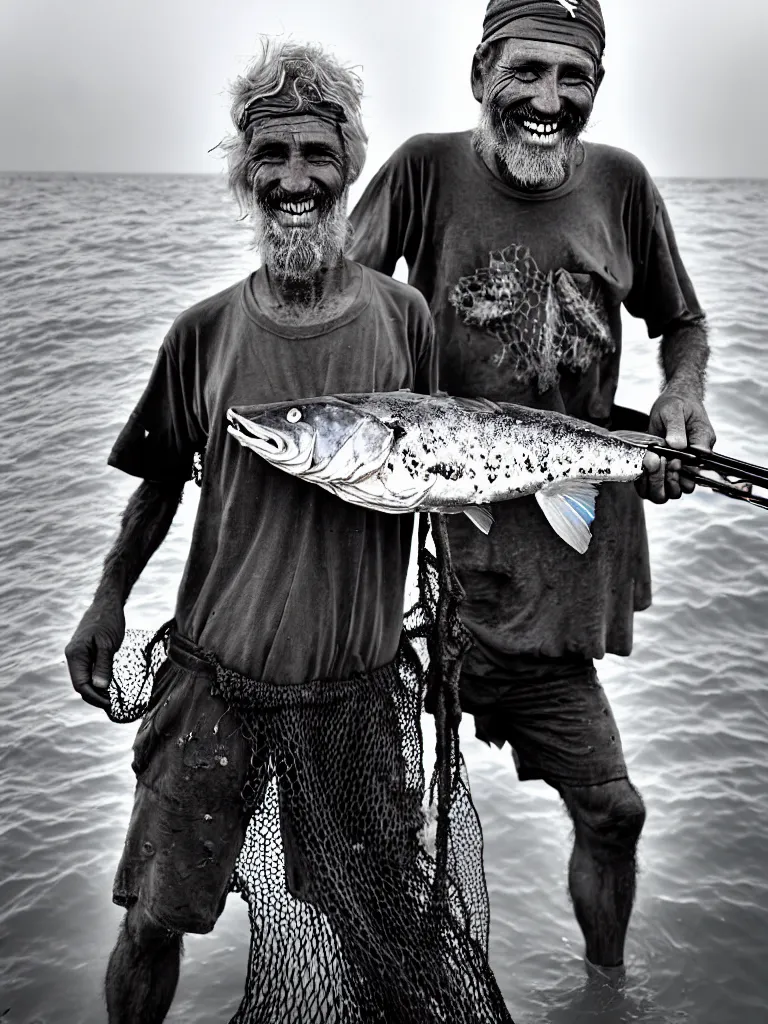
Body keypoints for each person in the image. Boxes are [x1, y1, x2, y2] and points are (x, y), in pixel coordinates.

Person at [62, 41, 481, 1024]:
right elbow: (159, 484)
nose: (295, 180)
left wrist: (453, 623)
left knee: (375, 930)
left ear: (350, 164)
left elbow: (435, 474)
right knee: (152, 921)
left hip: (359, 694)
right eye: (272, 156)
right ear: (243, 171)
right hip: (213, 685)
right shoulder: (202, 333)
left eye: (317, 156)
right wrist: (106, 597)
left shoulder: (405, 320)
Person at [348, 0, 716, 980]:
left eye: (574, 77)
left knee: (615, 810)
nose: (548, 99)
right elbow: (333, 311)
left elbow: (683, 324)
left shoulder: (623, 187)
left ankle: (608, 993)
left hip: (554, 585)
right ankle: (381, 983)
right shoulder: (424, 171)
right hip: (420, 583)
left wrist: (680, 403)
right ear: (481, 73)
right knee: (376, 819)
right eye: (527, 72)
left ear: (596, 85)